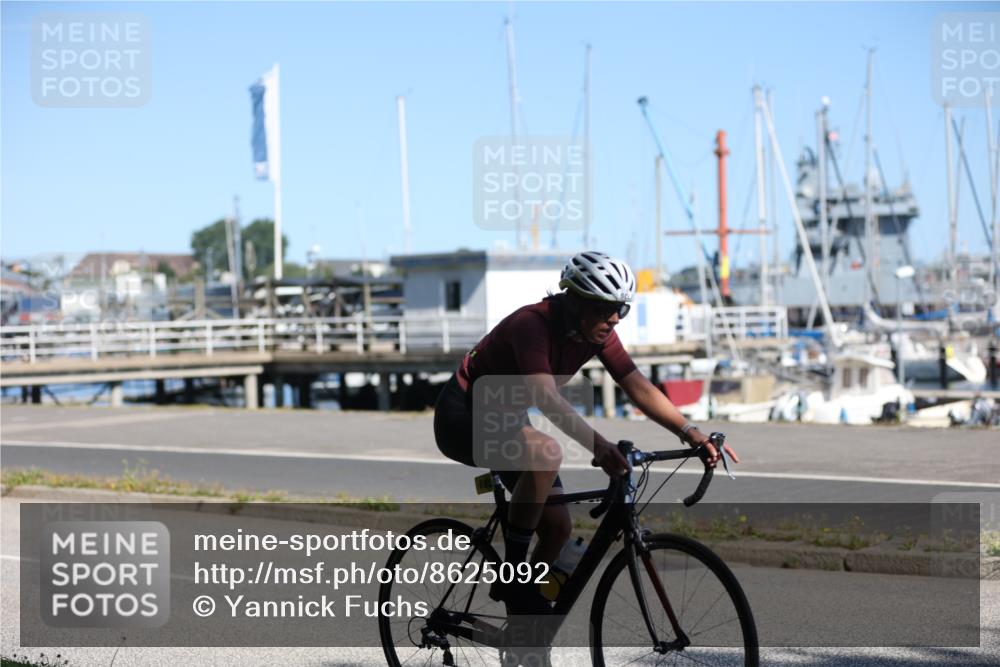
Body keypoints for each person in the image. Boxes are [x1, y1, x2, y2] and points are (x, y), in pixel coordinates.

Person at [433, 251, 740, 614]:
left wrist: (691, 432)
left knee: (559, 529)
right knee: (545, 453)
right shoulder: (532, 325)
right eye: (605, 308)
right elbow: (545, 398)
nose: (614, 318)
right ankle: (514, 580)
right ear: (575, 299)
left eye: (621, 309)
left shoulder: (597, 332)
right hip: (462, 415)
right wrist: (599, 445)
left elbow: (637, 385)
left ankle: (521, 628)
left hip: (506, 419)